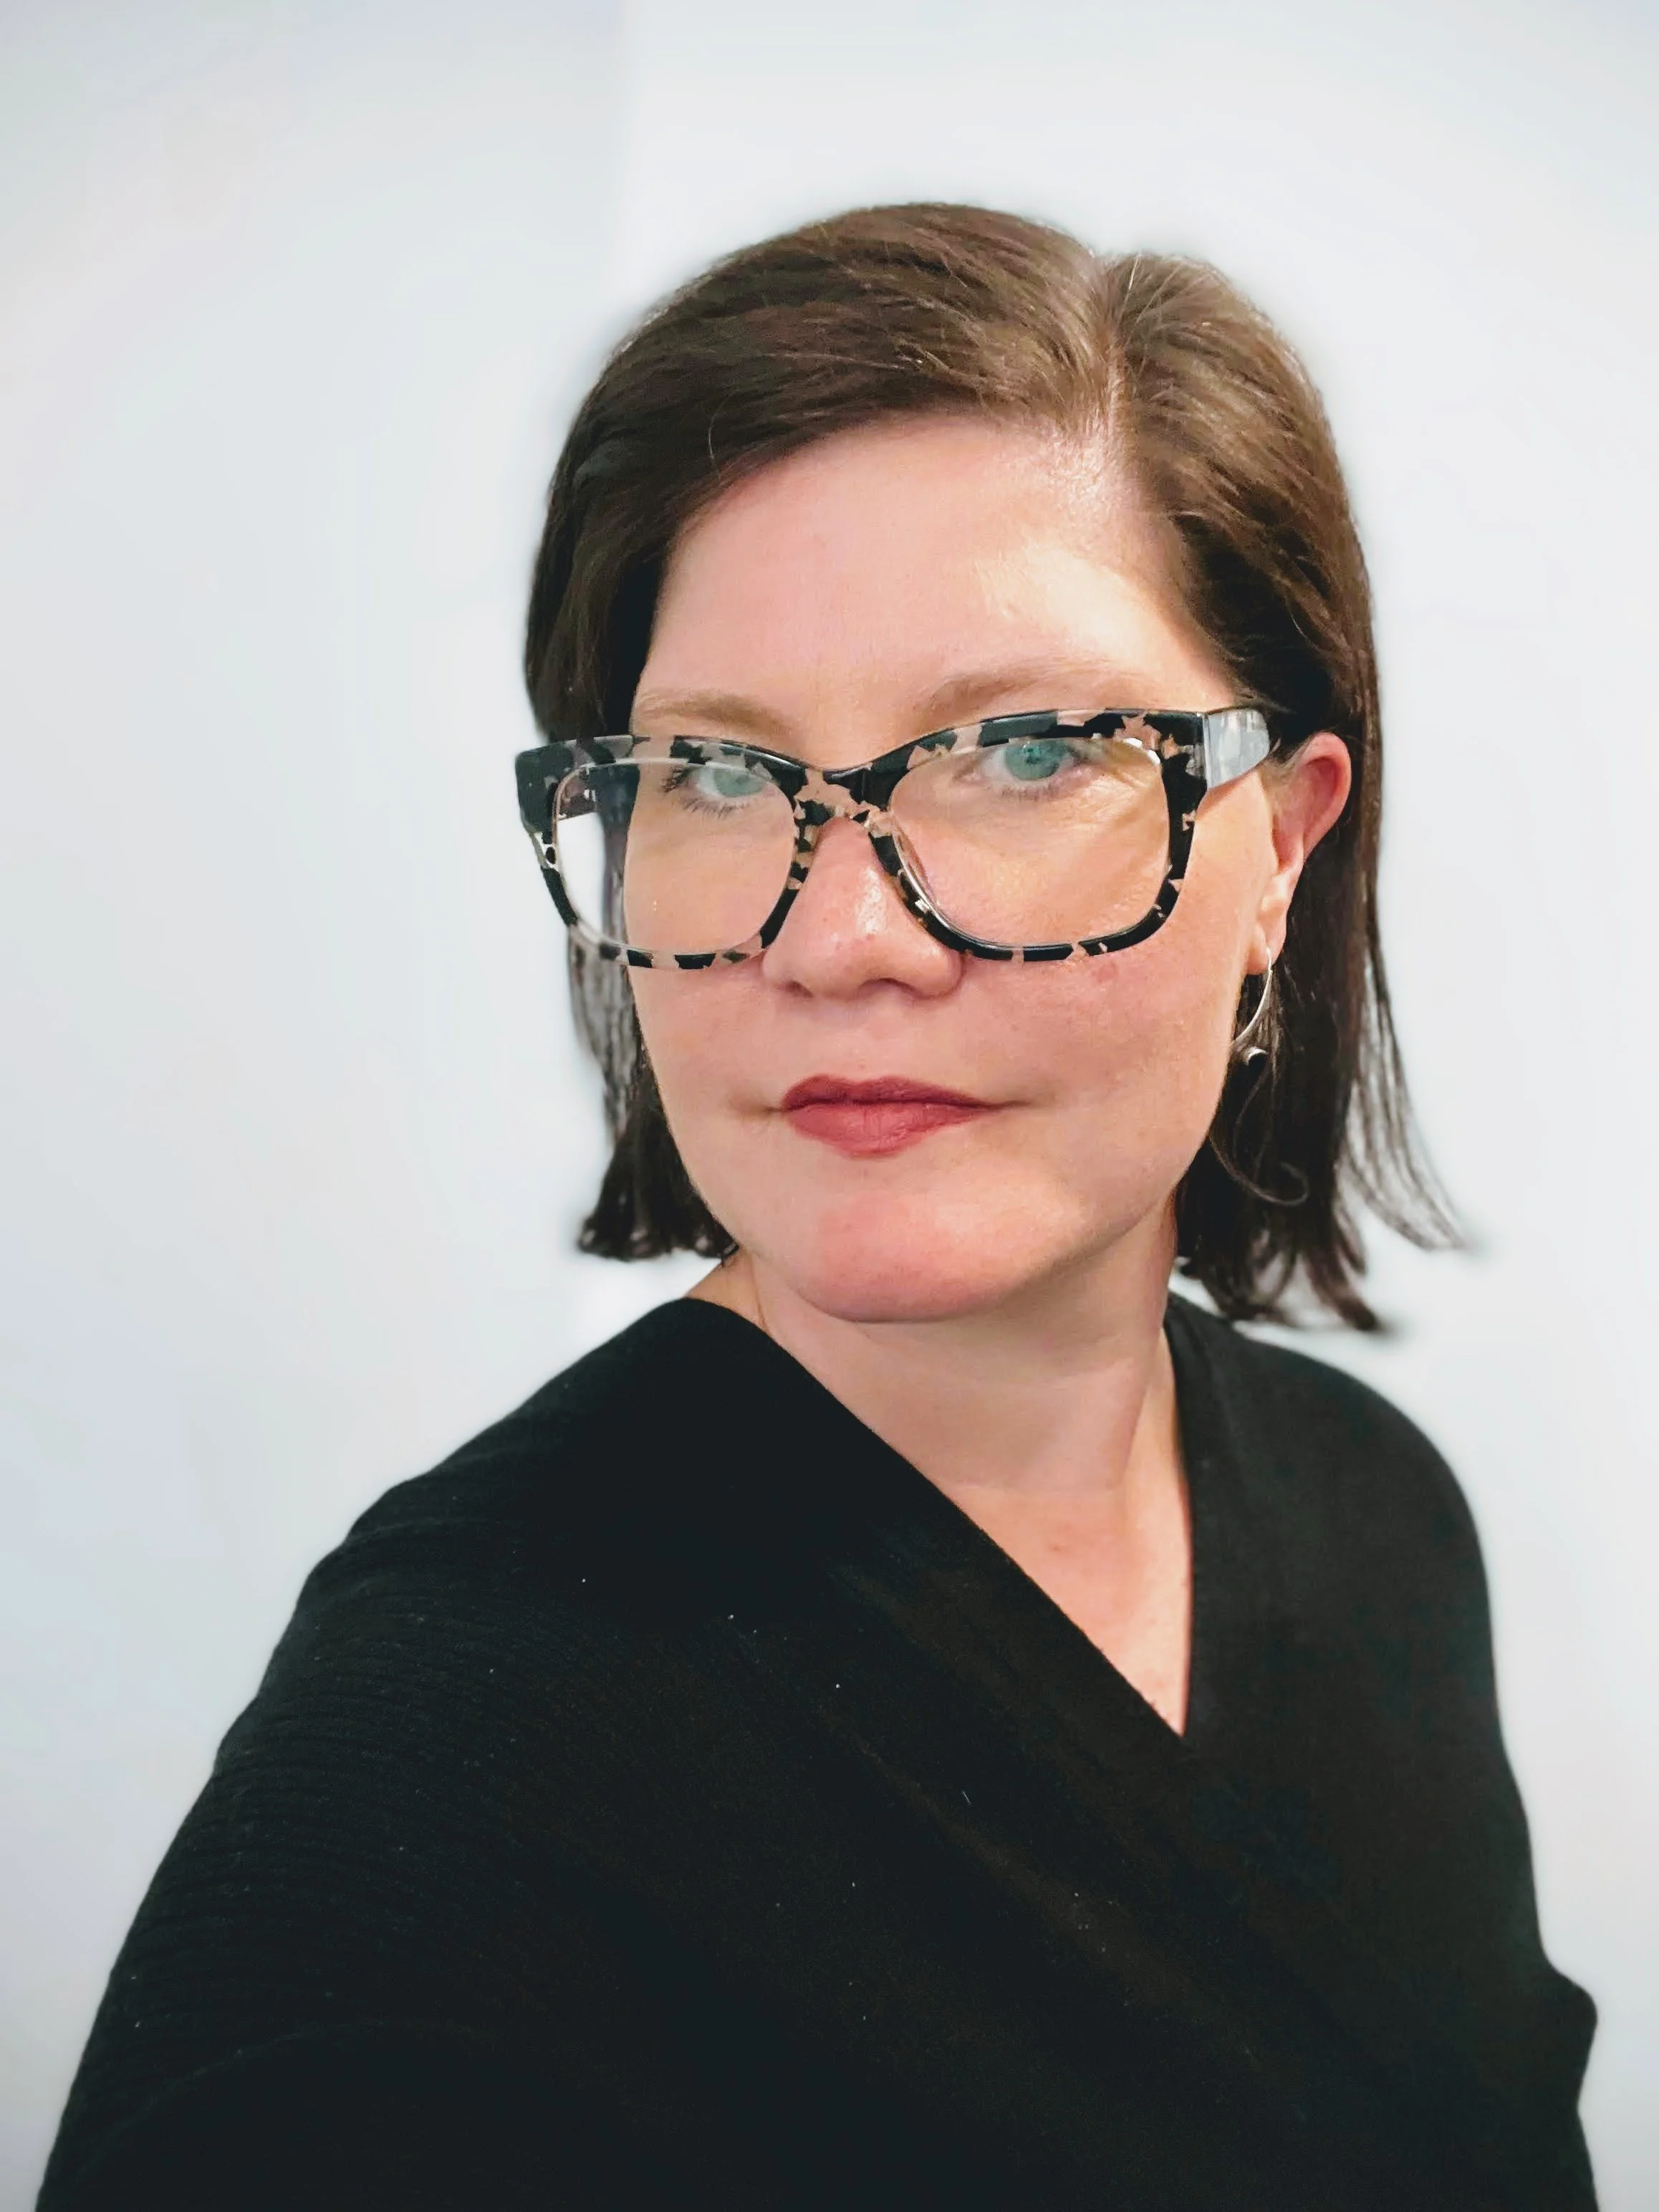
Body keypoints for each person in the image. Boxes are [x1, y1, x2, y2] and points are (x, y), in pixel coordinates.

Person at [39, 204, 1597, 2211]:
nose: (843, 934)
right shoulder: (447, 1753)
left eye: (1025, 754)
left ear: (1281, 846)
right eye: (710, 771)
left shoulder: (1377, 1518)